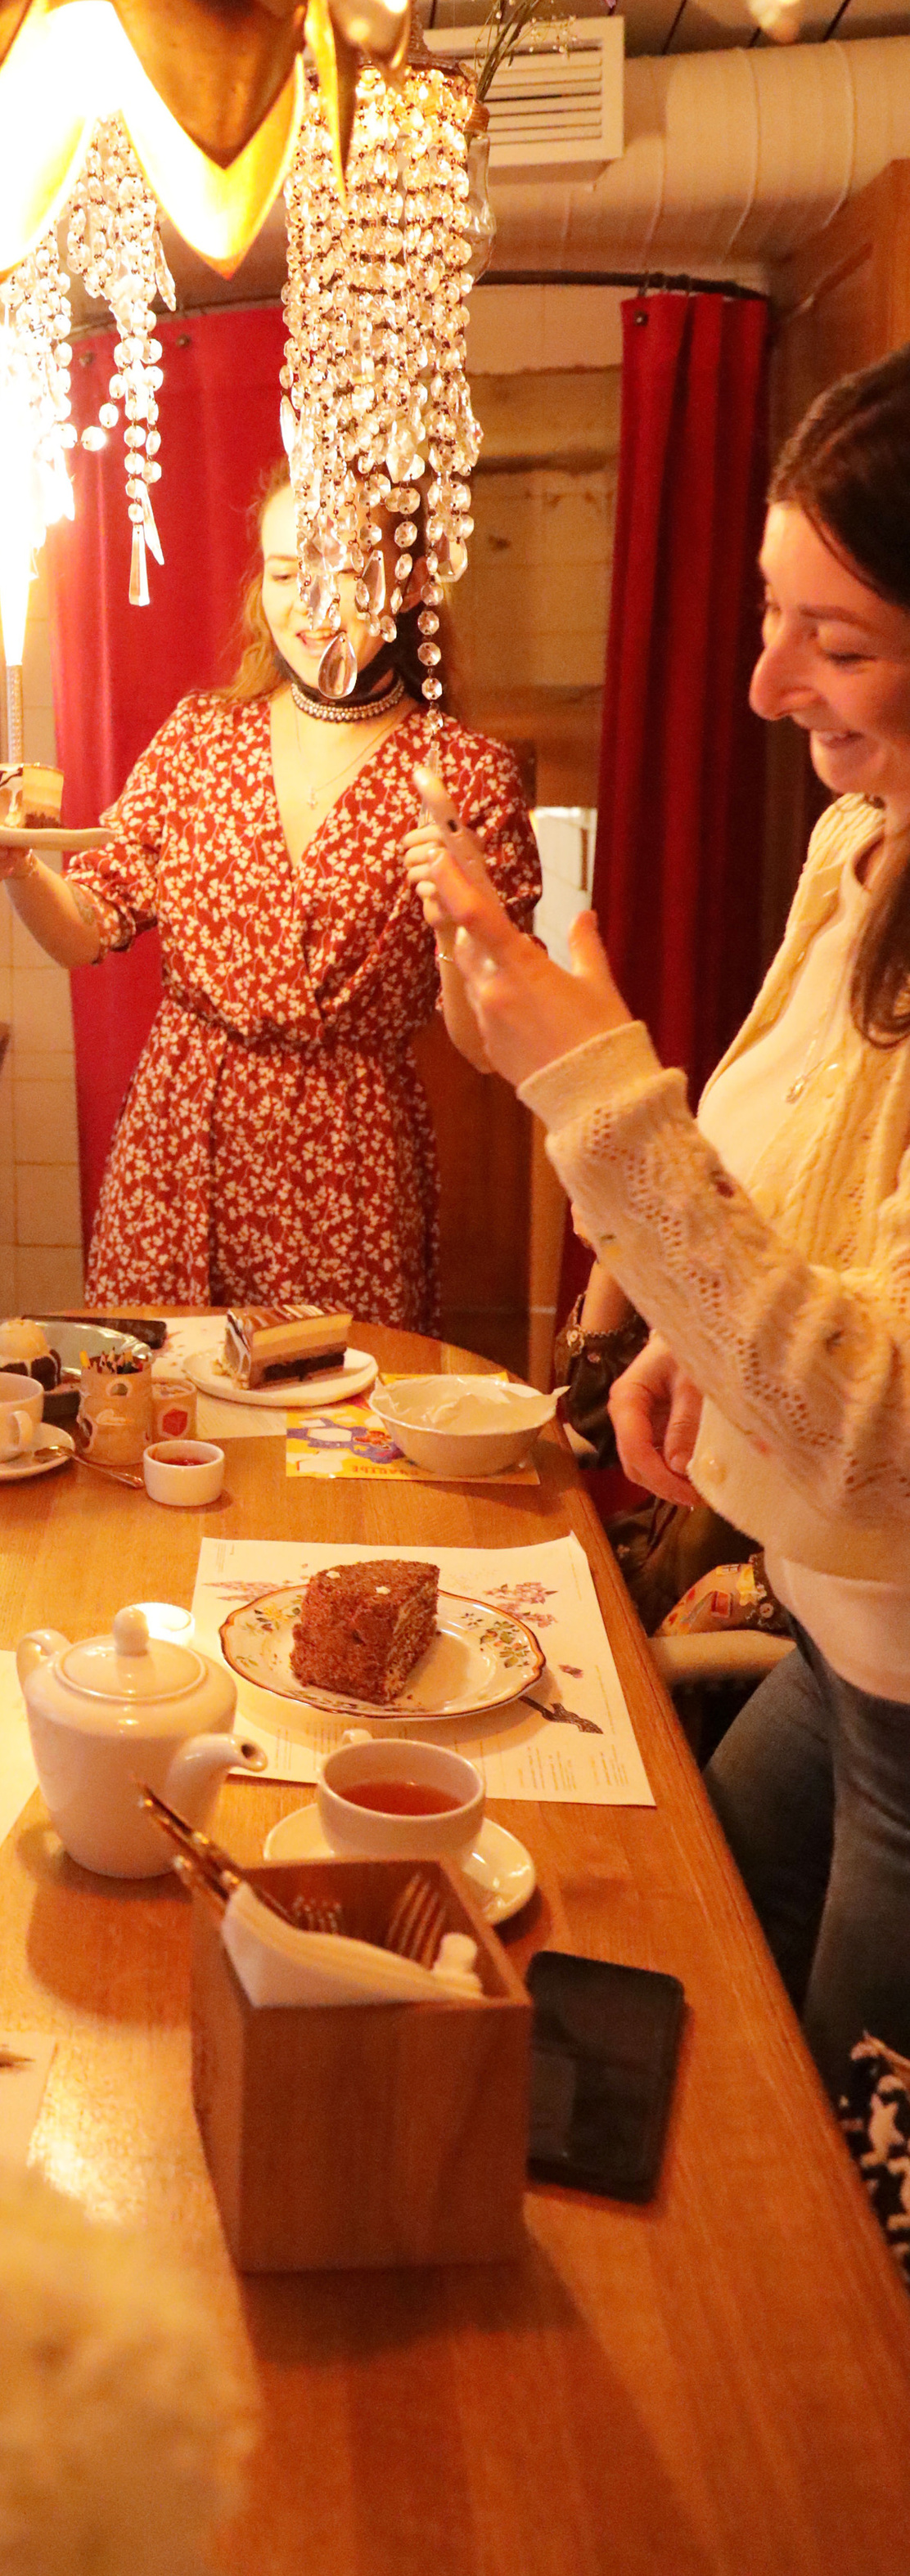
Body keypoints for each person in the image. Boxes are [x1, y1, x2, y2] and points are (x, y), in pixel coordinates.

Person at [411, 342, 910, 2110]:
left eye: (836, 641)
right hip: (838, 1645)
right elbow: (773, 1176)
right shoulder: (861, 844)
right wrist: (658, 1318)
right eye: (770, 617)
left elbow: (870, 1431)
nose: (768, 683)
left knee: (846, 2218)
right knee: (675, 2026)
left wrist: (585, 1091)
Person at [0, 479, 539, 1322]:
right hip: (179, 1137)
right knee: (157, 1422)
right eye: (284, 571)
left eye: (343, 573)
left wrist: (456, 928)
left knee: (329, 1435)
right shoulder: (201, 738)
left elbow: (486, 1046)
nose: (309, 604)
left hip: (346, 1160)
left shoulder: (463, 774)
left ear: (409, 587)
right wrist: (17, 870)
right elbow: (85, 929)